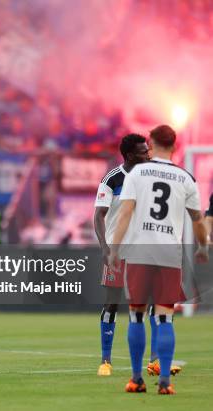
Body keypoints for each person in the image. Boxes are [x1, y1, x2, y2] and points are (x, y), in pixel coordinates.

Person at [110, 125, 209, 395]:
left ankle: (136, 379)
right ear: (175, 146)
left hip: (140, 250)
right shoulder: (185, 178)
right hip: (169, 252)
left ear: (151, 145)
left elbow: (125, 212)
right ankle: (165, 381)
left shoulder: (137, 172)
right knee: (164, 317)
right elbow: (198, 220)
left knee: (136, 315)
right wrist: (203, 246)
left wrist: (114, 249)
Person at [93, 134, 153, 376]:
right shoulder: (113, 179)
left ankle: (154, 361)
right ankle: (105, 360)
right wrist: (106, 249)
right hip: (118, 251)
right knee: (112, 302)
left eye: (148, 150)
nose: (148, 155)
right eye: (143, 152)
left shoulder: (149, 178)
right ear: (129, 156)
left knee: (147, 305)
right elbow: (98, 215)